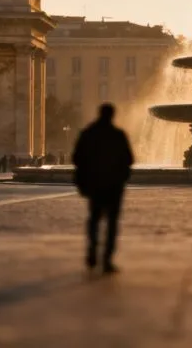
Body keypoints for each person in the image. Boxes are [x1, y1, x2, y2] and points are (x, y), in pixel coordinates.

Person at [73, 103, 134, 274]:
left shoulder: (88, 134)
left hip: (95, 184)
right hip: (114, 185)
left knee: (94, 219)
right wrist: (121, 176)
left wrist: (86, 175)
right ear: (112, 116)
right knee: (112, 222)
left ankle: (92, 252)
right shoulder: (118, 135)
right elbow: (129, 159)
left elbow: (77, 158)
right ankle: (107, 259)